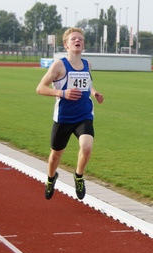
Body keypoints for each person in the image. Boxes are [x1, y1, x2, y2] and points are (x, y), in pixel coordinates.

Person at [36, 27, 104, 201]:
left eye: (80, 38)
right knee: (55, 156)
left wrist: (94, 92)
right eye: (74, 38)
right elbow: (40, 88)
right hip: (64, 118)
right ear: (66, 44)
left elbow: (87, 84)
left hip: (84, 115)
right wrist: (62, 93)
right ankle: (51, 178)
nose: (77, 40)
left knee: (87, 146)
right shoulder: (59, 65)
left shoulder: (87, 64)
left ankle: (79, 176)